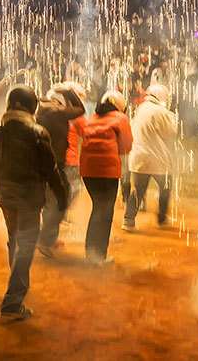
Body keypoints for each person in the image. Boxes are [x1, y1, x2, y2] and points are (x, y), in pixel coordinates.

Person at [0, 85, 66, 319]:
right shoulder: (38, 132)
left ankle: (16, 284)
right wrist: (61, 195)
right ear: (32, 107)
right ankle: (13, 299)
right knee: (26, 243)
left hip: (5, 197)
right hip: (29, 198)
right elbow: (51, 169)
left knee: (15, 240)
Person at [80, 90, 132, 265]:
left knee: (98, 208)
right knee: (104, 211)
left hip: (87, 171)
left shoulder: (93, 116)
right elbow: (127, 146)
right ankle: (98, 256)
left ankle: (90, 252)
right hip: (107, 171)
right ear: (120, 106)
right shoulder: (120, 118)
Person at [36, 83, 86, 257]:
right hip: (54, 163)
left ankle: (45, 237)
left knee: (47, 200)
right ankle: (44, 239)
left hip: (40, 161)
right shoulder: (55, 111)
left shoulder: (41, 107)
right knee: (60, 200)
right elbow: (80, 109)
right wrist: (69, 91)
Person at [122, 83, 177, 232]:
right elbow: (170, 131)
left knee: (138, 190)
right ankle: (162, 218)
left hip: (138, 156)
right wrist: (172, 115)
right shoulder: (159, 110)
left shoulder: (142, 108)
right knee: (166, 184)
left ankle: (128, 220)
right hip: (155, 158)